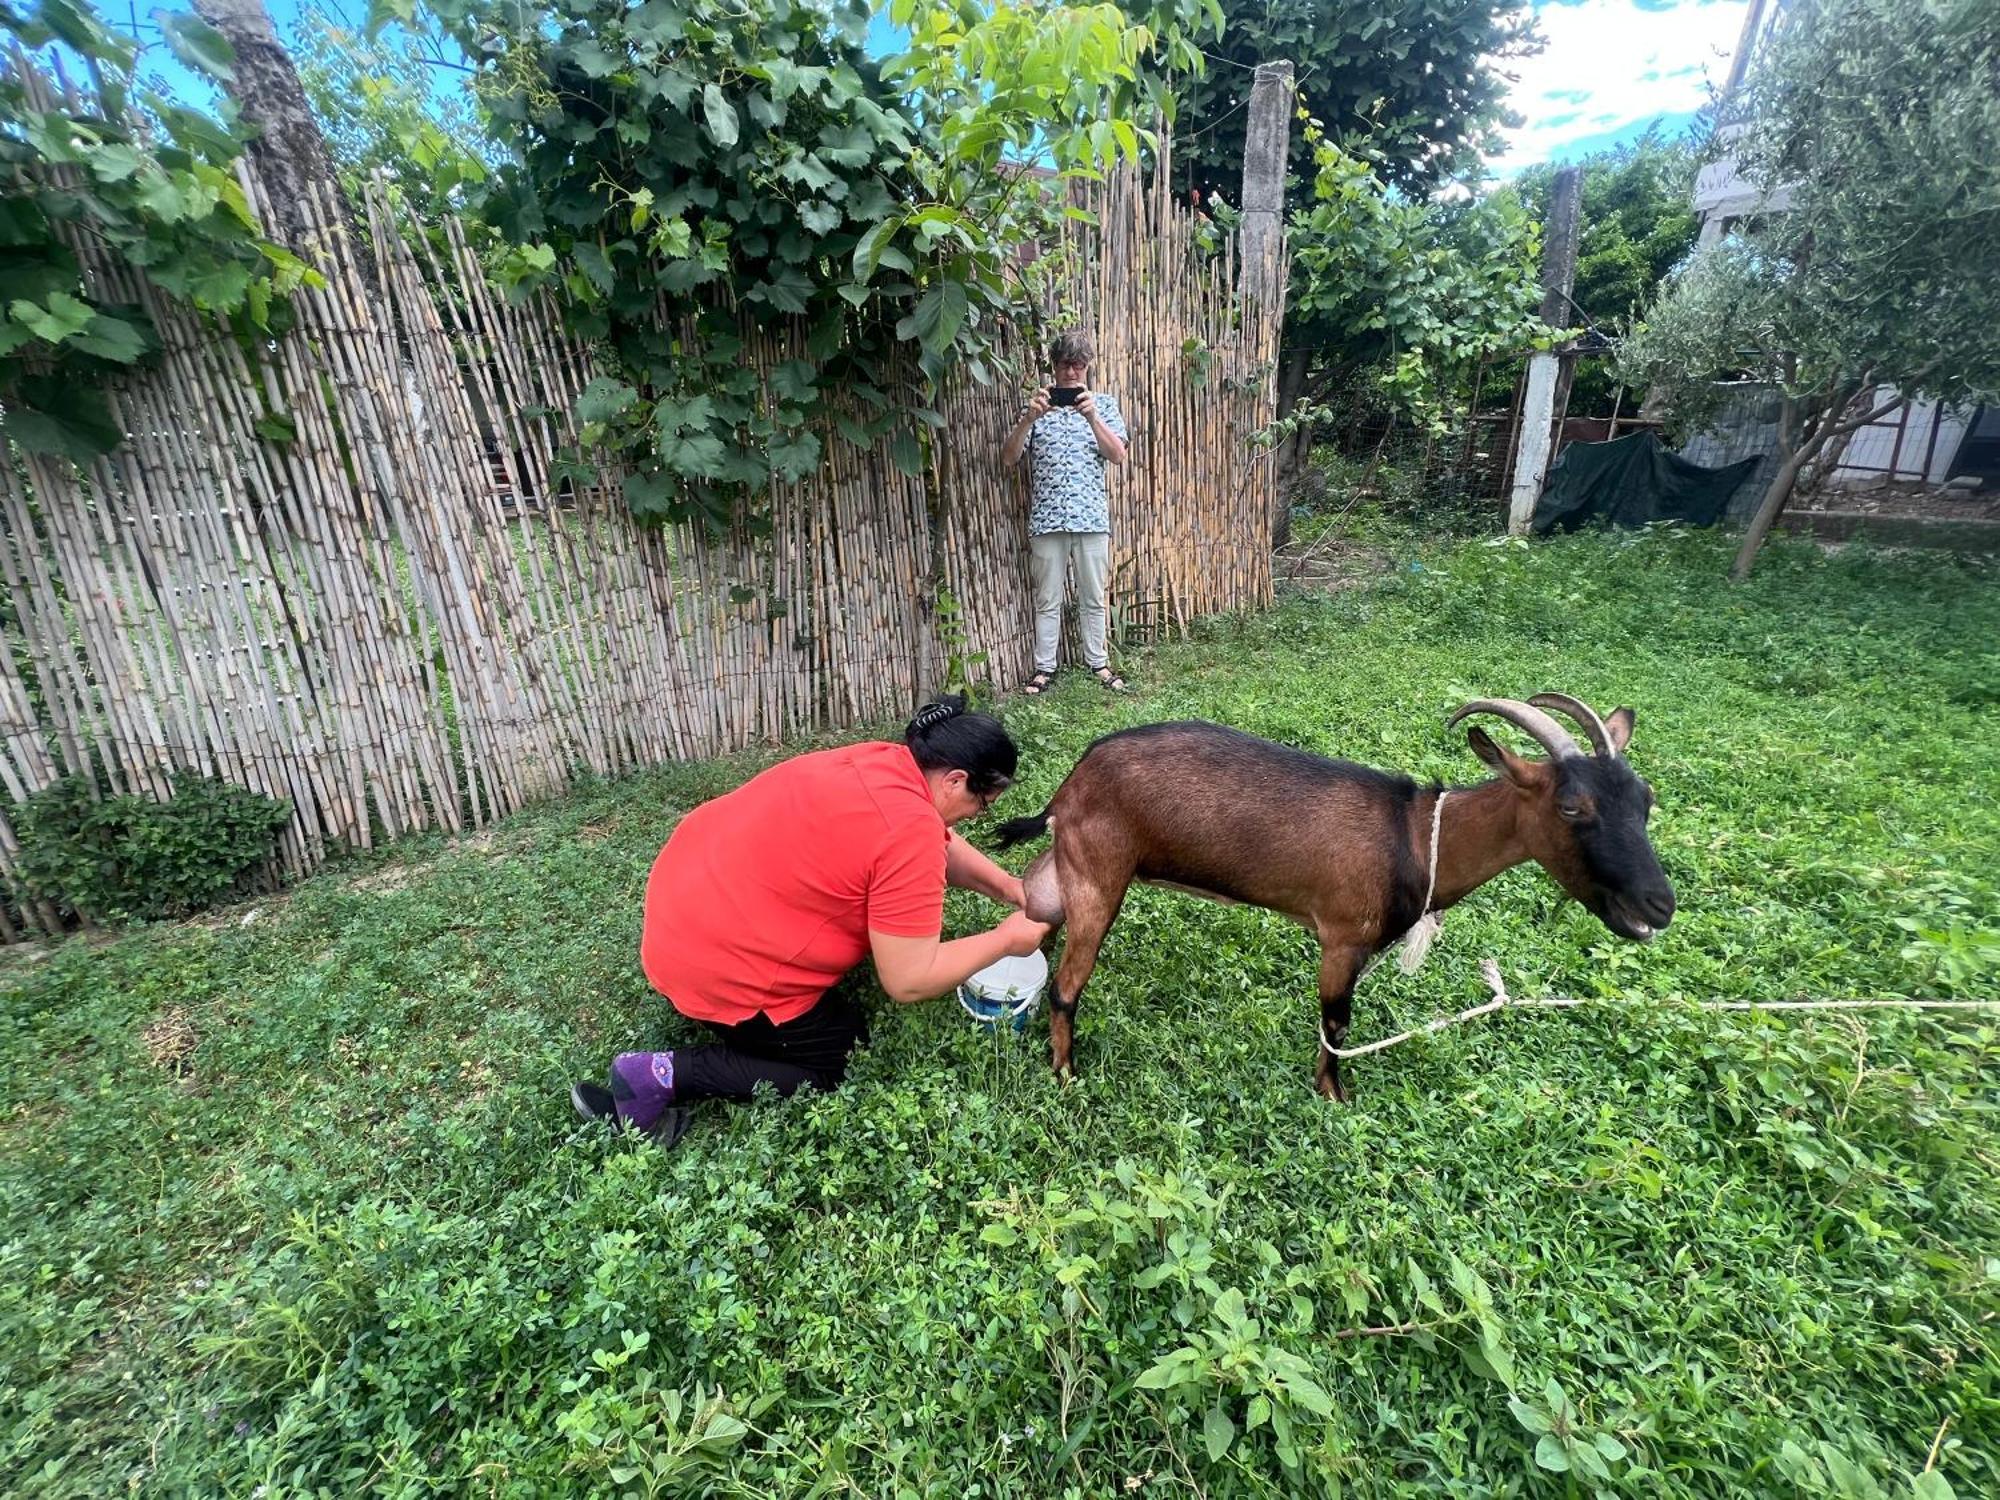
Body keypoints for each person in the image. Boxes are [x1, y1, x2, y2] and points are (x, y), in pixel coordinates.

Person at [570, 697, 1049, 1146]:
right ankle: (654, 1076)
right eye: (981, 804)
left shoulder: (883, 762)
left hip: (685, 914)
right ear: (955, 780)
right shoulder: (908, 832)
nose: (975, 816)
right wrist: (1006, 939)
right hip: (717, 966)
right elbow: (908, 979)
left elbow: (935, 837)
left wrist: (1008, 887)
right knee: (836, 1060)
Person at [1000, 330, 1130, 695]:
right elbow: (1009, 459)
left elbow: (1117, 455)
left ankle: (1099, 664)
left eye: (1078, 365)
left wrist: (1092, 418)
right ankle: (1044, 670)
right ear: (1054, 367)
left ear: (1087, 367)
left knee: (1093, 596)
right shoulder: (1037, 408)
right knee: (1047, 598)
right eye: (1064, 365)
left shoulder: (1104, 405)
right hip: (1047, 519)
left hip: (1091, 520)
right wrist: (1028, 419)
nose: (1071, 373)